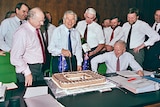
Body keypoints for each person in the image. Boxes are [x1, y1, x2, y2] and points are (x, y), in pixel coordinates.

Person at [10, 7, 45, 86]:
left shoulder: (37, 29)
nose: (42, 23)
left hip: (38, 69)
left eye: (43, 20)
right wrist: (27, 72)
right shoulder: (22, 32)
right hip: (28, 70)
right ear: (31, 19)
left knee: (40, 95)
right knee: (28, 96)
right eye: (40, 21)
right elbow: (15, 57)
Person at [40, 12, 56, 76]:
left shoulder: (54, 28)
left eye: (49, 17)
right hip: (41, 53)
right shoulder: (39, 28)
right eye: (46, 17)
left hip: (50, 53)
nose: (48, 18)